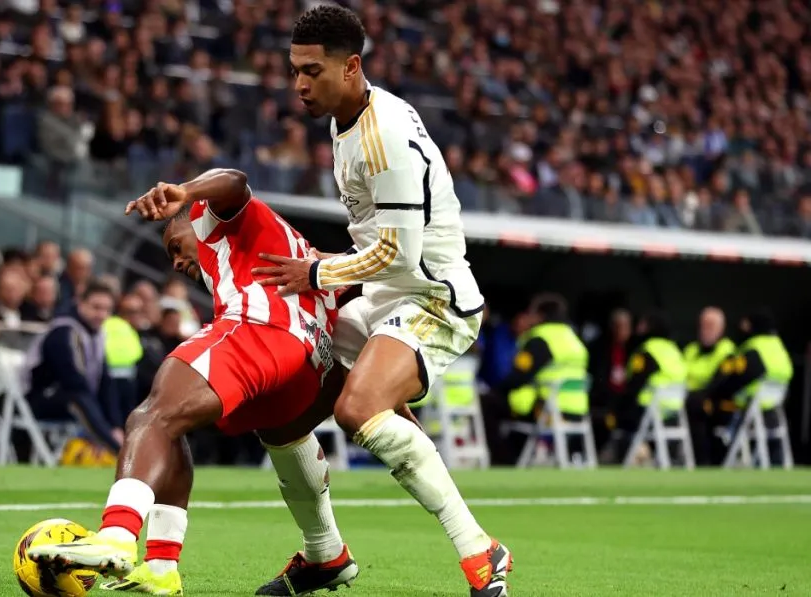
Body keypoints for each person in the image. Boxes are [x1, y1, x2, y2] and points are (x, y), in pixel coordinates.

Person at [249, 6, 510, 595]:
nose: (299, 84)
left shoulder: (384, 133)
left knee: (357, 410)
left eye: (312, 70)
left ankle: (482, 550)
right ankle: (325, 556)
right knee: (281, 417)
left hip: (433, 297)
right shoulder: (345, 118)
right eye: (294, 70)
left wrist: (316, 272)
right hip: (381, 298)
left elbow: (398, 252)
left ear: (352, 67)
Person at [28, 169, 357, 597]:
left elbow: (235, 181)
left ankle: (116, 535)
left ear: (193, 221)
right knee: (172, 426)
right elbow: (352, 287)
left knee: (151, 415)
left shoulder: (210, 216)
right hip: (308, 369)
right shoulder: (301, 252)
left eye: (176, 247)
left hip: (263, 328)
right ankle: (162, 566)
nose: (179, 263)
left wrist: (185, 192)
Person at [481, 293, 589, 466]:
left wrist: (497, 388)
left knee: (487, 403)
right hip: (577, 410)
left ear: (540, 315)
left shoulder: (541, 339)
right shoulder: (574, 340)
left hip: (546, 409)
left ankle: (503, 461)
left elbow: (519, 376)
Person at [22, 281, 124, 454]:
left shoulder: (97, 334)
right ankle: (120, 452)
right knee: (78, 398)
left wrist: (116, 424)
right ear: (81, 303)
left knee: (118, 386)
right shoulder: (63, 330)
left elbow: (105, 382)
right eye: (96, 307)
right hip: (39, 399)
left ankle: (121, 444)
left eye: (107, 309)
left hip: (73, 399)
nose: (101, 314)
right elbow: (73, 381)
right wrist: (107, 428)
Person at [706, 309, 793, 466]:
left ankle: (722, 452)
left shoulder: (754, 347)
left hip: (751, 405)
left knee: (718, 406)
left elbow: (739, 377)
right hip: (777, 404)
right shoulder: (778, 346)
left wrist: (715, 394)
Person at [611, 311, 687, 461]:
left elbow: (634, 385)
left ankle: (623, 458)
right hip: (675, 410)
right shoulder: (675, 350)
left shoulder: (648, 351)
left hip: (649, 410)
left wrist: (616, 407)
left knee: (617, 417)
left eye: (642, 324)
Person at [682, 307, 736, 465]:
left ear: (721, 328)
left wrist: (701, 395)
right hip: (687, 398)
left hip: (715, 400)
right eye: (703, 326)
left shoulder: (727, 350)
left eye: (711, 326)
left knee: (699, 406)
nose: (706, 330)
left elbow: (720, 381)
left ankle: (704, 461)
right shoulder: (691, 350)